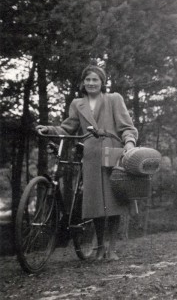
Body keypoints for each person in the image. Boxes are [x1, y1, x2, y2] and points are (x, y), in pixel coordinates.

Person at [36, 65, 138, 260]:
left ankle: (112, 248)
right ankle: (100, 247)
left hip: (112, 153)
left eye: (95, 80)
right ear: (83, 83)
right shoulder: (77, 104)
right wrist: (49, 129)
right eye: (88, 80)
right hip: (90, 157)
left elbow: (127, 127)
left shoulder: (113, 99)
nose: (91, 83)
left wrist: (130, 143)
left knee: (113, 201)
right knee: (96, 205)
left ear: (102, 82)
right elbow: (68, 128)